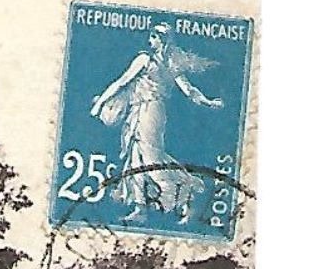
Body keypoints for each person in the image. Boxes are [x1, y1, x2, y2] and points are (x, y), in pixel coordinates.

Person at [90, 23, 224, 222]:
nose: (149, 40)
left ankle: (186, 190)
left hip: (151, 112)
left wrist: (99, 103)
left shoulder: (152, 61)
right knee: (135, 157)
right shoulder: (163, 63)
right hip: (139, 111)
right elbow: (188, 90)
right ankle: (140, 208)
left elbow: (122, 82)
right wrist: (208, 102)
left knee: (151, 158)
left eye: (153, 37)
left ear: (162, 40)